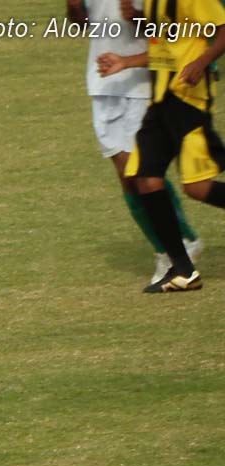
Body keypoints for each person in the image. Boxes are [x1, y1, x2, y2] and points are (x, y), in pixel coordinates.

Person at [67, 0, 203, 284]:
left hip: (144, 82)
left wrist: (138, 17)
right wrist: (75, 7)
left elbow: (172, 31)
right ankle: (167, 248)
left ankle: (180, 244)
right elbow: (83, 25)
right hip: (103, 81)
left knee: (140, 172)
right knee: (126, 177)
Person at [97, 0, 225, 292]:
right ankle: (183, 271)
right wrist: (125, 61)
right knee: (145, 179)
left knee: (197, 187)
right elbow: (164, 48)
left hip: (189, 102)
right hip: (160, 103)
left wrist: (201, 62)